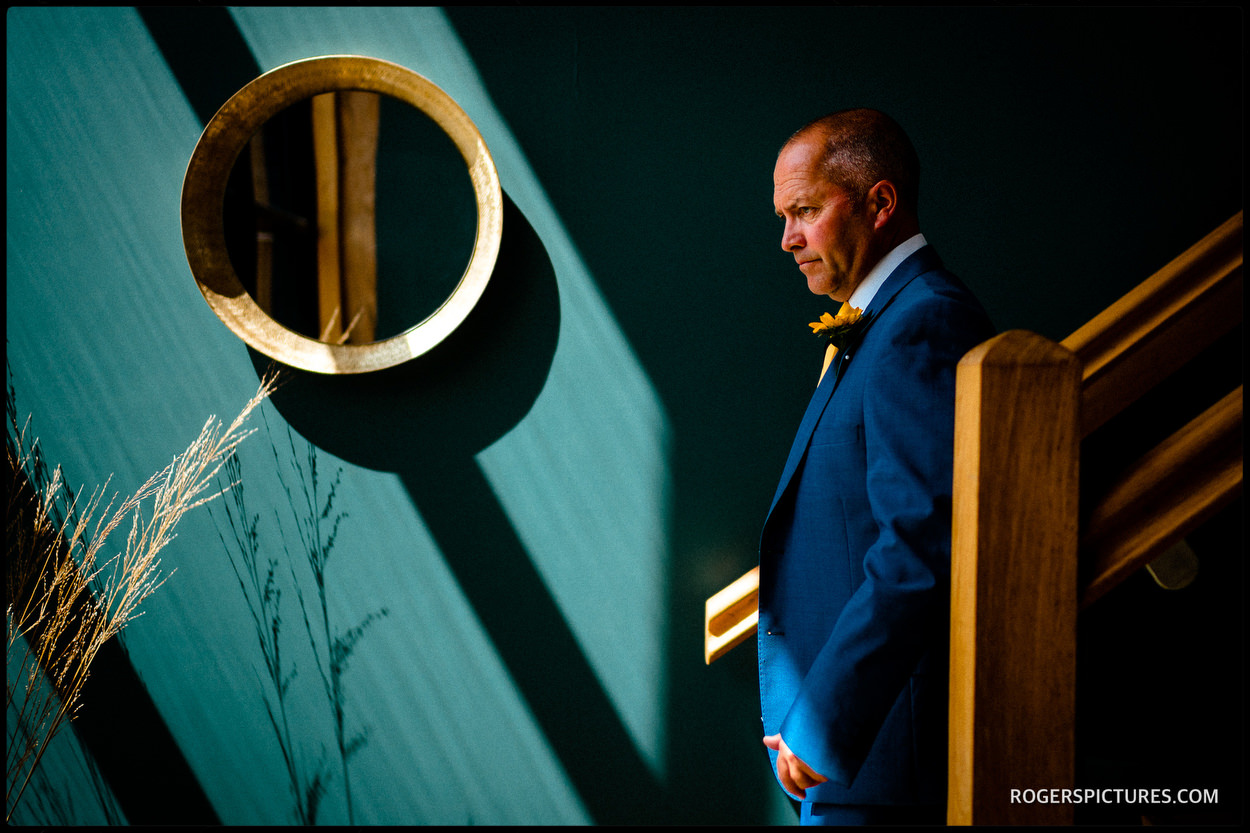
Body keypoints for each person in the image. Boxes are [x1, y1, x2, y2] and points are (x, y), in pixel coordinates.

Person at [758, 108, 995, 826]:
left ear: (880, 203)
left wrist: (825, 719)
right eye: (784, 216)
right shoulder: (884, 324)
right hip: (853, 765)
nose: (787, 238)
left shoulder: (923, 322)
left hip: (884, 760)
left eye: (804, 211)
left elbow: (921, 541)